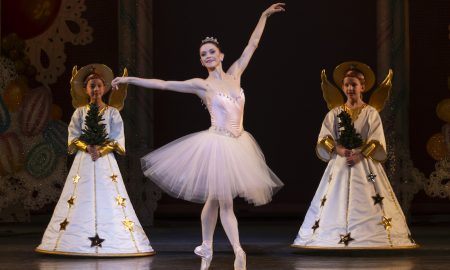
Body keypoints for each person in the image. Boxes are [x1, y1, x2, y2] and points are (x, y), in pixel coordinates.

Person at [112, 3, 285, 269]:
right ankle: (237, 251)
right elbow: (164, 84)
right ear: (201, 60)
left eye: (211, 52)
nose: (207, 56)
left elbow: (253, 44)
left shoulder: (236, 74)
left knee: (215, 201)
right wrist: (130, 80)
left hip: (239, 144)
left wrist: (264, 15)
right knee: (223, 202)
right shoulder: (201, 85)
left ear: (221, 55)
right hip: (217, 145)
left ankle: (207, 250)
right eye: (203, 54)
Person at [292, 61, 417, 249]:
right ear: (342, 87)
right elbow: (324, 138)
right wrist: (338, 149)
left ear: (363, 87)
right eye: (347, 84)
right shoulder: (334, 114)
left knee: (371, 199)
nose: (350, 88)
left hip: (365, 165)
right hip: (340, 164)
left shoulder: (371, 113)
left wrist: (360, 155)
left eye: (354, 84)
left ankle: (370, 235)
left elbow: (377, 140)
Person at [36, 64, 154, 256]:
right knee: (80, 195)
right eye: (92, 86)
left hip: (105, 160)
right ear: (85, 89)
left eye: (98, 85)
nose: (95, 89)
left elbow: (117, 137)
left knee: (109, 194)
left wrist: (102, 149)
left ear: (104, 88)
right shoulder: (80, 112)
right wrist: (86, 147)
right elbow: (73, 135)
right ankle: (73, 240)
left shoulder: (112, 113)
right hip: (84, 161)